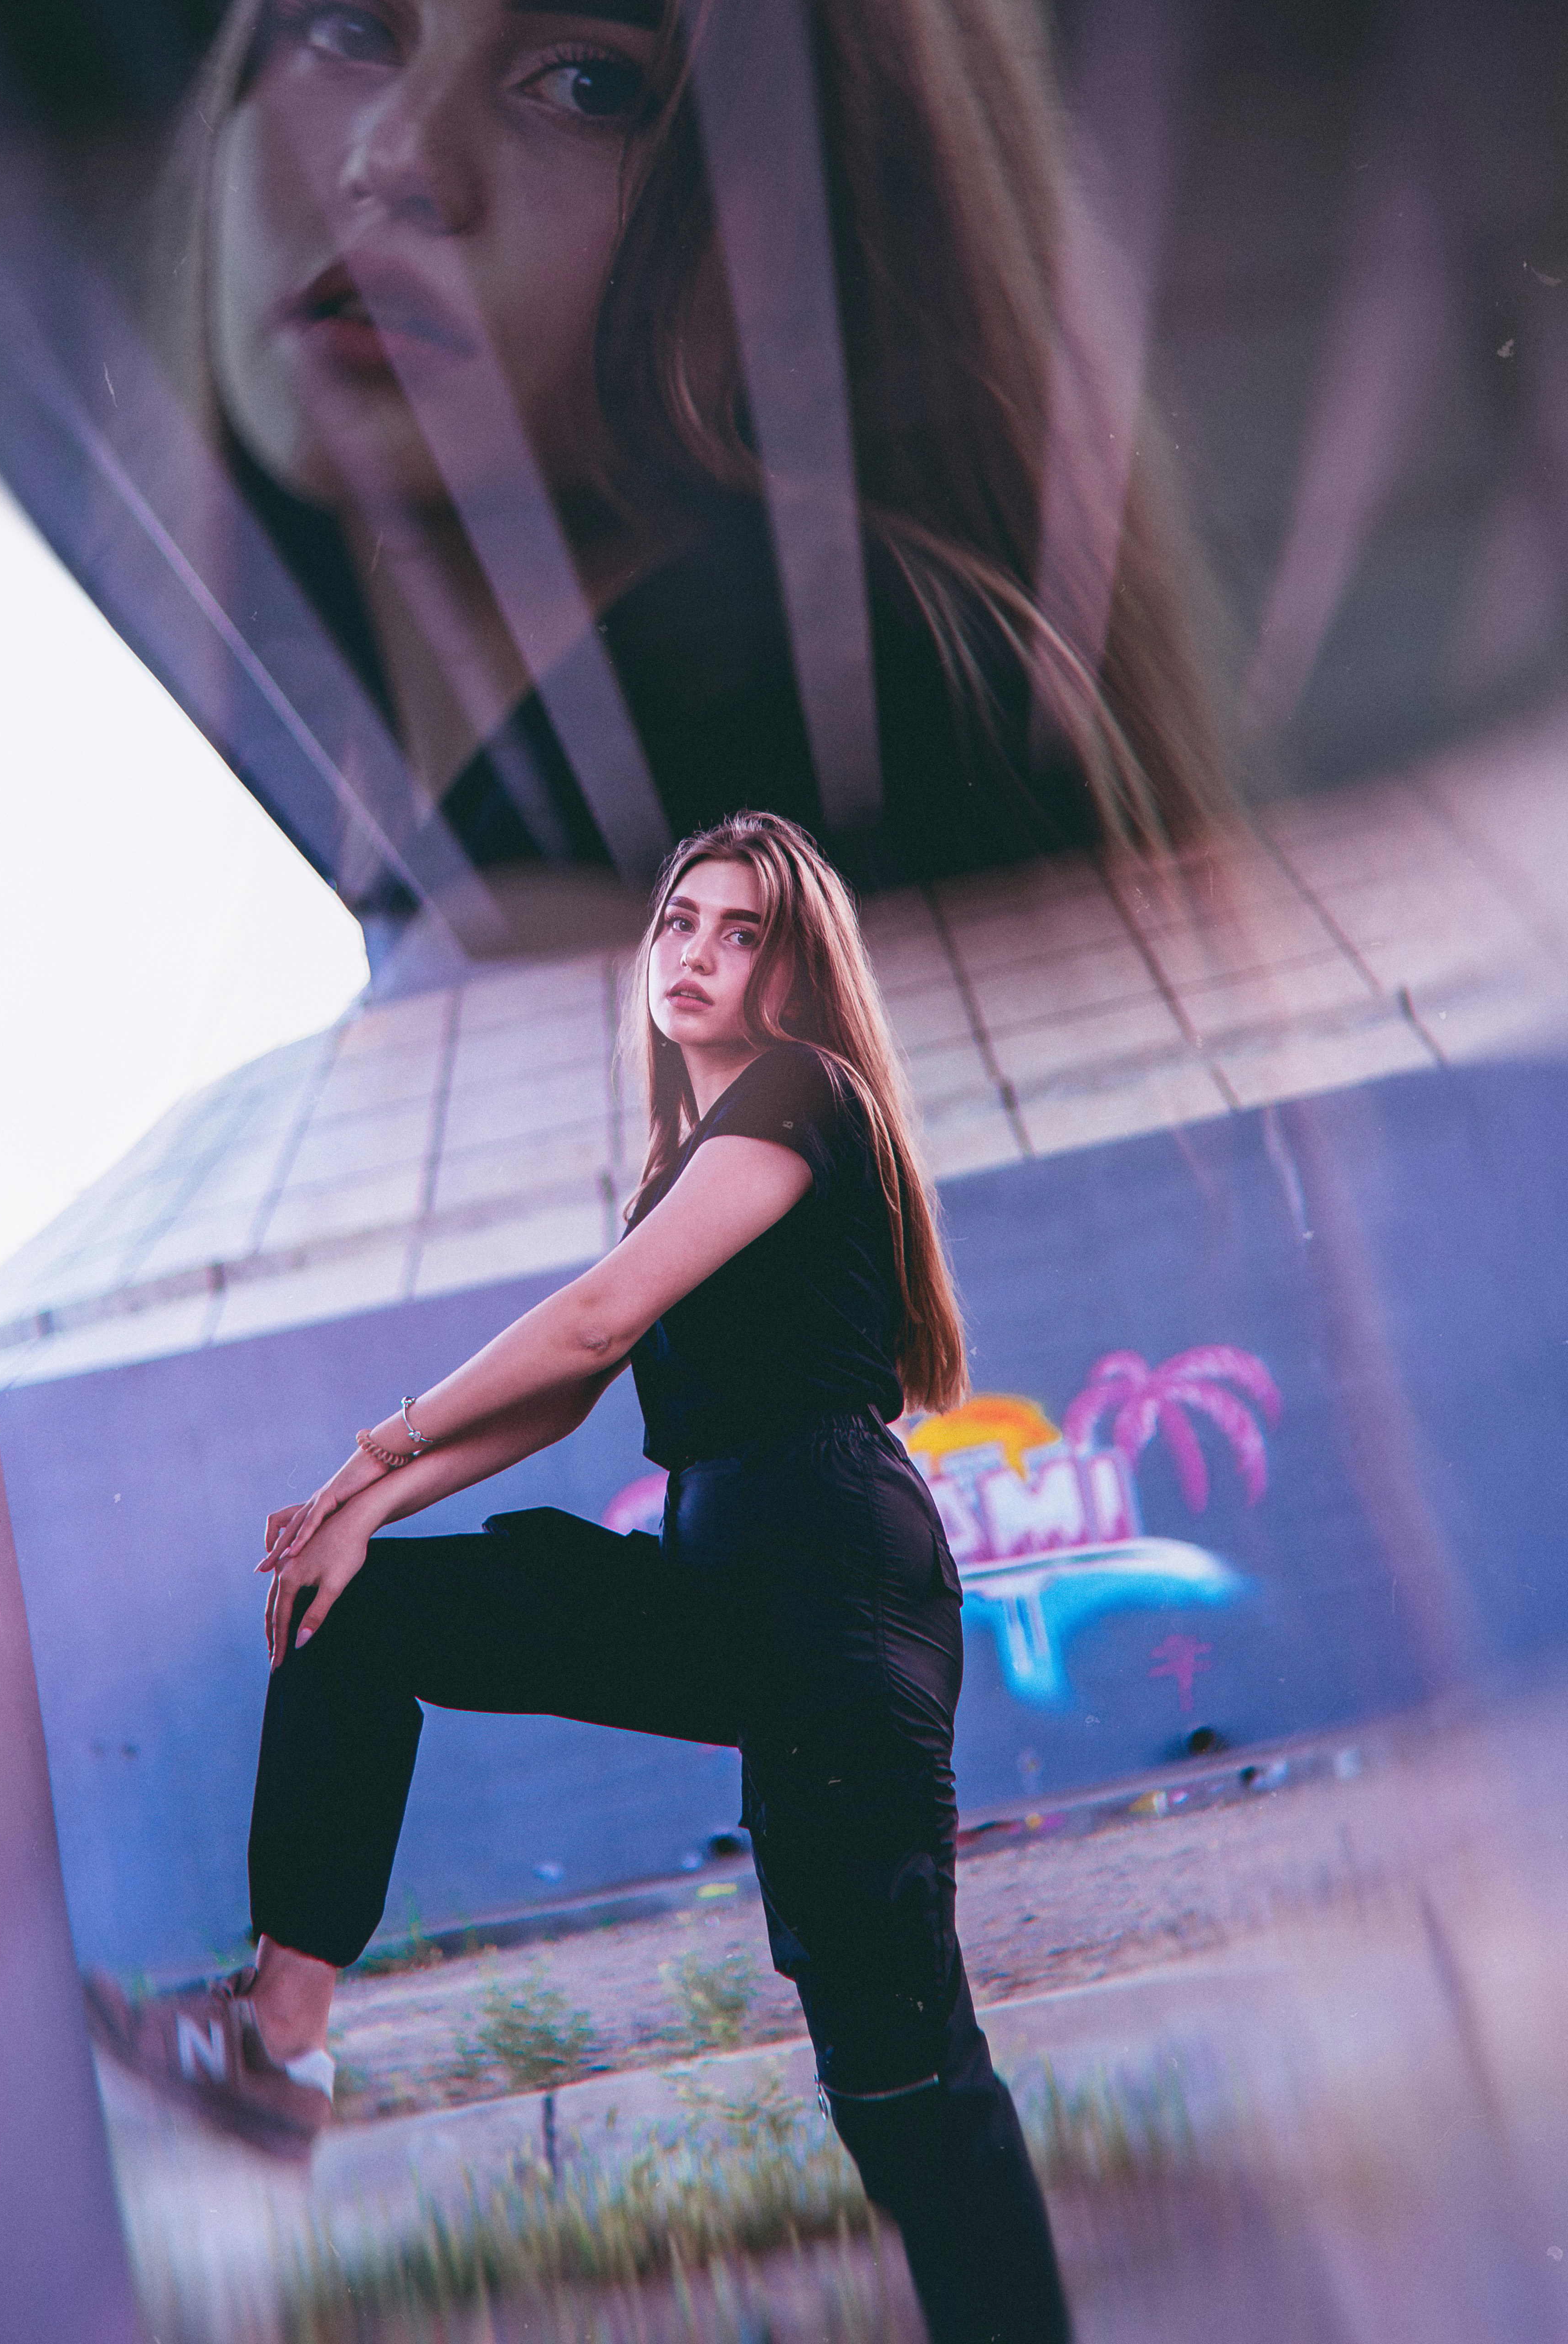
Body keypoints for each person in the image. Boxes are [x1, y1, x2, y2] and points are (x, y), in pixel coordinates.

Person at [89, 809, 1072, 2344]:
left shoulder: (804, 1097)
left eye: (743, 932)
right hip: (728, 1584)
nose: (698, 953)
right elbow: (566, 1396)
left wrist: (368, 1447)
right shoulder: (689, 1166)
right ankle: (276, 2051)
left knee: (904, 2086)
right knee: (364, 1614)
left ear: (792, 971)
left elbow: (596, 1324)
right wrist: (364, 1513)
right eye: (682, 920)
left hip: (831, 1592)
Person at [164, 0, 1225, 930]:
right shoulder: (458, 848)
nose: (398, 156)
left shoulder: (826, 733)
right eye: (343, 25)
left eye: (587, 80)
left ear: (805, 218)